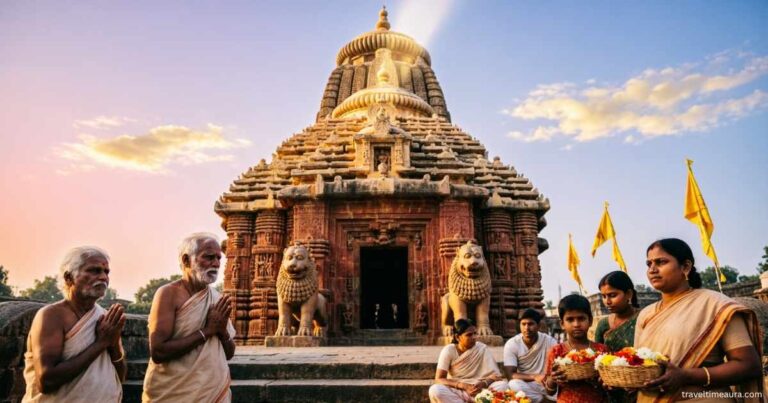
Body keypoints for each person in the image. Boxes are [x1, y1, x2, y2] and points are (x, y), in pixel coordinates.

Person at [635, 238, 763, 403]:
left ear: (686, 266)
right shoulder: (646, 314)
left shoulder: (715, 305)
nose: (652, 269)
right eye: (649, 264)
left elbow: (749, 366)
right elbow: (638, 363)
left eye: (661, 262)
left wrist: (686, 376)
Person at [22, 246, 126, 402]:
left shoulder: (105, 318)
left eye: (106, 272)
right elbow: (47, 381)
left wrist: (113, 344)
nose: (103, 277)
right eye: (94, 271)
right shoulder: (52, 316)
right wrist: (101, 343)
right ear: (68, 277)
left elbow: (120, 376)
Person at [142, 233, 236, 402]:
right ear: (186, 260)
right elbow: (158, 351)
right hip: (173, 391)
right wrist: (207, 331)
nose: (215, 263)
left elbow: (229, 354)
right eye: (208, 257)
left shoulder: (217, 298)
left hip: (210, 390)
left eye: (218, 258)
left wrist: (222, 331)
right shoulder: (169, 294)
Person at [543, 294, 609, 403]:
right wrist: (552, 379)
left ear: (590, 321)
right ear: (562, 324)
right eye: (570, 319)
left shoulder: (602, 351)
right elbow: (549, 391)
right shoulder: (557, 351)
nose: (576, 324)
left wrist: (606, 382)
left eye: (581, 318)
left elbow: (611, 385)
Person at [429, 318, 508, 402]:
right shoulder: (449, 350)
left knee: (502, 386)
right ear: (457, 337)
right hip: (458, 391)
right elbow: (439, 379)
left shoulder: (482, 348)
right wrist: (462, 385)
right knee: (435, 390)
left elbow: (496, 376)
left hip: (480, 391)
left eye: (475, 333)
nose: (474, 337)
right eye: (469, 335)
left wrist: (484, 383)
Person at [595, 270, 640, 403]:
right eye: (603, 296)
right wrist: (604, 377)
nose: (607, 301)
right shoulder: (604, 324)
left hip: (640, 385)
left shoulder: (644, 318)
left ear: (629, 294)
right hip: (611, 388)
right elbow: (599, 358)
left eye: (612, 295)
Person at [504, 308, 558, 403]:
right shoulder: (512, 344)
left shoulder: (550, 342)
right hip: (527, 384)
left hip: (547, 383)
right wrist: (534, 377)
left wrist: (548, 380)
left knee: (565, 388)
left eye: (530, 324)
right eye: (523, 324)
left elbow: (557, 367)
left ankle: (539, 400)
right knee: (513, 384)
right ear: (519, 325)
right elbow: (510, 374)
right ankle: (543, 401)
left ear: (538, 326)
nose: (526, 328)